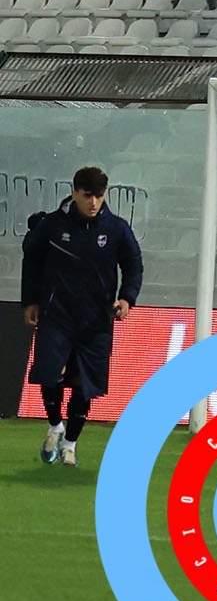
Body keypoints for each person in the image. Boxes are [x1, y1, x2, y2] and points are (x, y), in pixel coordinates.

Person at [21, 165, 141, 466]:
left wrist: (127, 298)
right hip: (57, 315)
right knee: (49, 372)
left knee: (86, 384)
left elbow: (133, 264)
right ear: (74, 193)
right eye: (87, 196)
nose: (94, 202)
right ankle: (55, 426)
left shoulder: (116, 229)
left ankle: (70, 444)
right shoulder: (52, 225)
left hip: (96, 320)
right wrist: (31, 300)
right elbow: (31, 257)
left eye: (99, 196)